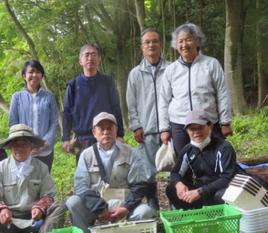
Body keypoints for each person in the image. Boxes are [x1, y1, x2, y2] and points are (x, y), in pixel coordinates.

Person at [66, 112, 154, 233]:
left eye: (109, 128)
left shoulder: (130, 152)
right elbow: (80, 186)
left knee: (145, 212)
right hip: (96, 205)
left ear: (116, 130)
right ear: (94, 133)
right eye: (101, 129)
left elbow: (139, 184)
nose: (106, 132)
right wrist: (99, 208)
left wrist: (126, 208)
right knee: (72, 202)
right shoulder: (86, 155)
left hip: (123, 204)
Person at [159, 23, 233, 155]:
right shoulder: (171, 70)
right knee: (184, 163)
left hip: (208, 122)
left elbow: (223, 93)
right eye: (180, 41)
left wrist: (225, 122)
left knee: (216, 157)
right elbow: (163, 100)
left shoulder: (211, 64)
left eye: (188, 39)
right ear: (176, 45)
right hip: (180, 124)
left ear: (197, 41)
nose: (184, 44)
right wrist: (164, 129)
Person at [126, 28, 171, 212]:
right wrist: (136, 126)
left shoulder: (171, 69)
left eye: (154, 41)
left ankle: (175, 207)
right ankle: (153, 208)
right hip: (146, 131)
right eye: (147, 42)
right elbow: (131, 103)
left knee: (173, 171)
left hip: (169, 130)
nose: (151, 45)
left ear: (161, 45)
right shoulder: (135, 74)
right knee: (148, 173)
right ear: (142, 47)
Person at [62, 43, 125, 162]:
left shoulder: (107, 82)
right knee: (86, 176)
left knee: (111, 174)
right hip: (83, 139)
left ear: (99, 60)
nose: (90, 58)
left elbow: (116, 107)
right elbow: (67, 113)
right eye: (86, 55)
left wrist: (120, 134)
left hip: (106, 136)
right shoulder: (73, 86)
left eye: (93, 55)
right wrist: (66, 138)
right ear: (80, 61)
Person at [166, 110, 238, 210]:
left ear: (210, 127)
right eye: (192, 129)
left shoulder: (224, 148)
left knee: (223, 195)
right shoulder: (187, 150)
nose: (196, 132)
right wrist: (179, 184)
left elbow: (228, 178)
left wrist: (200, 192)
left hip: (217, 190)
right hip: (200, 192)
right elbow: (175, 172)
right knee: (171, 188)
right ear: (187, 131)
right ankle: (193, 215)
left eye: (200, 127)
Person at [9, 60, 59, 172]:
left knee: (43, 184)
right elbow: (13, 123)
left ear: (42, 75)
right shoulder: (17, 97)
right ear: (24, 76)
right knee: (24, 183)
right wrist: (25, 144)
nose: (34, 75)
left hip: (45, 151)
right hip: (23, 151)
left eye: (38, 72)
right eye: (31, 72)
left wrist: (44, 143)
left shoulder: (49, 96)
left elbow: (54, 122)